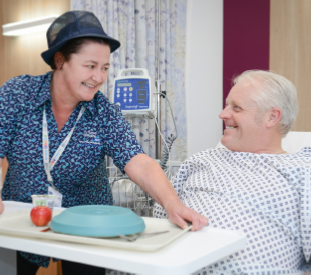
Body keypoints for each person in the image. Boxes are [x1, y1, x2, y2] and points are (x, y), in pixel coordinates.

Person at [0, 11, 208, 274]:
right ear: (60, 60)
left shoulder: (102, 111)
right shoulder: (18, 94)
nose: (99, 77)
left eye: (105, 68)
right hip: (24, 217)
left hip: (89, 224)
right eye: (90, 66)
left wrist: (172, 204)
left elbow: (138, 162)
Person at [154, 70, 311, 274]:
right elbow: (158, 220)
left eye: (236, 107)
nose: (223, 114)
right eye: (227, 105)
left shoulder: (303, 171)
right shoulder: (201, 160)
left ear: (272, 117)